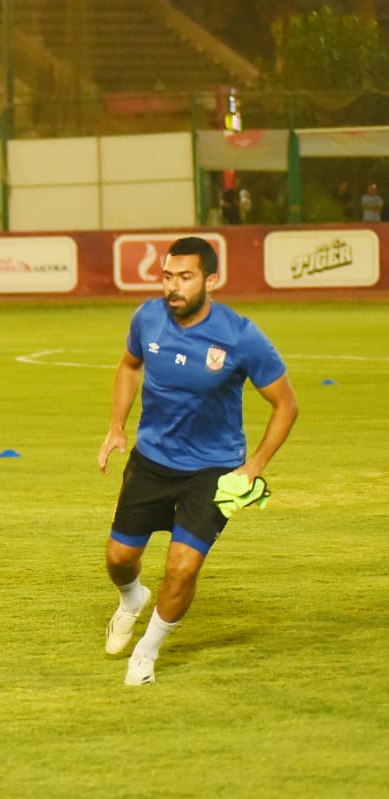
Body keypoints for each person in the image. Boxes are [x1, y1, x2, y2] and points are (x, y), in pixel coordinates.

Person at [97, 236, 298, 686]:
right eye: (168, 276)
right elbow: (129, 366)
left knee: (183, 566)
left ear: (211, 280)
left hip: (213, 469)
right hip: (152, 460)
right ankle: (131, 599)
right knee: (119, 559)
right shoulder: (147, 318)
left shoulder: (240, 336)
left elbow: (286, 404)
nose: (173, 286)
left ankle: (146, 653)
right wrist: (116, 427)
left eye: (185, 277)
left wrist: (255, 466)